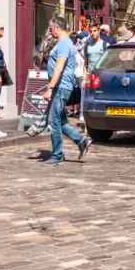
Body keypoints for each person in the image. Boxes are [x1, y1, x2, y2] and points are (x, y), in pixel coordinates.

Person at [41, 17, 91, 165]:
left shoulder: (63, 44)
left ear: (57, 28)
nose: (51, 32)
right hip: (62, 86)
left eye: (51, 29)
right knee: (61, 121)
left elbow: (59, 67)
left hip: (60, 87)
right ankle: (81, 141)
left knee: (54, 121)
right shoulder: (65, 43)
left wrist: (50, 88)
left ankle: (57, 155)